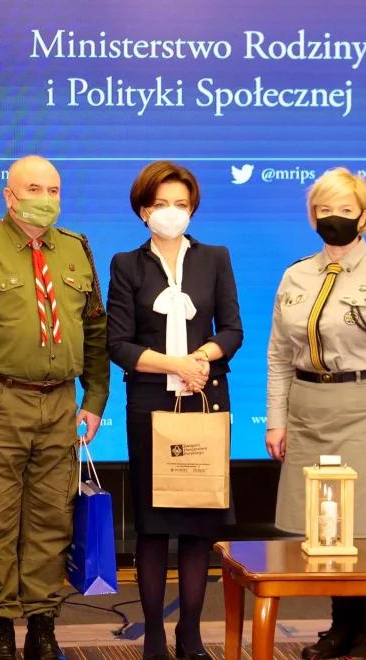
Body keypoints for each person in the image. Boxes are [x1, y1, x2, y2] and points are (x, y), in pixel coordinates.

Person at [0, 155, 110, 660]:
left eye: (54, 189)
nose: (46, 198)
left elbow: (95, 331)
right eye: (34, 188)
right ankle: (0, 627)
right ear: (9, 196)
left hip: (59, 404)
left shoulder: (76, 250)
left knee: (53, 519)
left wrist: (95, 398)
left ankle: (43, 623)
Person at [266, 167, 366, 660]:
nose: (334, 219)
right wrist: (277, 419)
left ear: (365, 216)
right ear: (313, 215)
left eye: (345, 211)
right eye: (325, 210)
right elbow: (277, 355)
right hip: (309, 410)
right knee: (326, 525)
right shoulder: (295, 275)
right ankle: (340, 628)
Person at [106, 161, 243, 660]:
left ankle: (190, 633)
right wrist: (174, 364)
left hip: (206, 399)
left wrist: (200, 360)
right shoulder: (126, 264)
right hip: (150, 401)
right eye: (161, 204)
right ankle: (155, 640)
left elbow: (232, 330)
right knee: (153, 522)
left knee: (197, 521)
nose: (171, 212)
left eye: (180, 204)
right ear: (144, 210)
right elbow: (118, 343)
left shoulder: (215, 257)